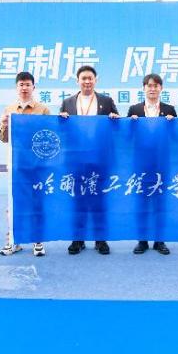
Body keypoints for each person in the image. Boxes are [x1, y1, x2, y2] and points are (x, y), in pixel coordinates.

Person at [60, 65, 119, 255]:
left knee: (99, 200)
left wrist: (115, 118)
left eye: (90, 78)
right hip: (76, 160)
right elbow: (62, 132)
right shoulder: (67, 102)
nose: (87, 81)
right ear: (77, 81)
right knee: (78, 200)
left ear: (96, 80)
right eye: (83, 78)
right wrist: (60, 120)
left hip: (99, 159)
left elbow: (117, 128)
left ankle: (100, 240)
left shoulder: (106, 101)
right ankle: (78, 240)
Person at [0, 71, 50, 257]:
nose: (24, 88)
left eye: (28, 84)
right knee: (14, 204)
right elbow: (3, 138)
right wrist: (4, 124)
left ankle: (38, 241)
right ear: (16, 87)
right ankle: (13, 241)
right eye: (21, 84)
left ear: (33, 87)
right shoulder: (9, 109)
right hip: (16, 165)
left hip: (37, 165)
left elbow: (49, 136)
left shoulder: (43, 110)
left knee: (37, 202)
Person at [127, 73, 177, 255]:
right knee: (141, 202)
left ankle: (159, 241)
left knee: (160, 203)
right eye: (149, 85)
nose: (152, 89)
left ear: (161, 88)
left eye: (156, 85)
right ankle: (142, 241)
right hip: (140, 164)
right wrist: (130, 124)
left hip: (161, 164)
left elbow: (175, 137)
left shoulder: (170, 109)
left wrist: (172, 124)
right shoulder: (134, 109)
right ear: (144, 88)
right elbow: (127, 137)